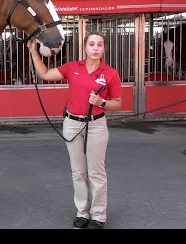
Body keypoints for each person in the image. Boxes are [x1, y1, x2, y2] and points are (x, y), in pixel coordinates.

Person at [27, 32, 122, 229]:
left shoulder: (110, 73)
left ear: (104, 48)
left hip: (96, 125)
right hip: (72, 124)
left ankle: (98, 216)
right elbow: (45, 74)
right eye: (92, 44)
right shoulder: (72, 67)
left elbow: (118, 103)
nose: (95, 48)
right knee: (78, 171)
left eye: (99, 44)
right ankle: (82, 212)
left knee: (96, 172)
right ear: (85, 47)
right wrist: (33, 52)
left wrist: (102, 102)